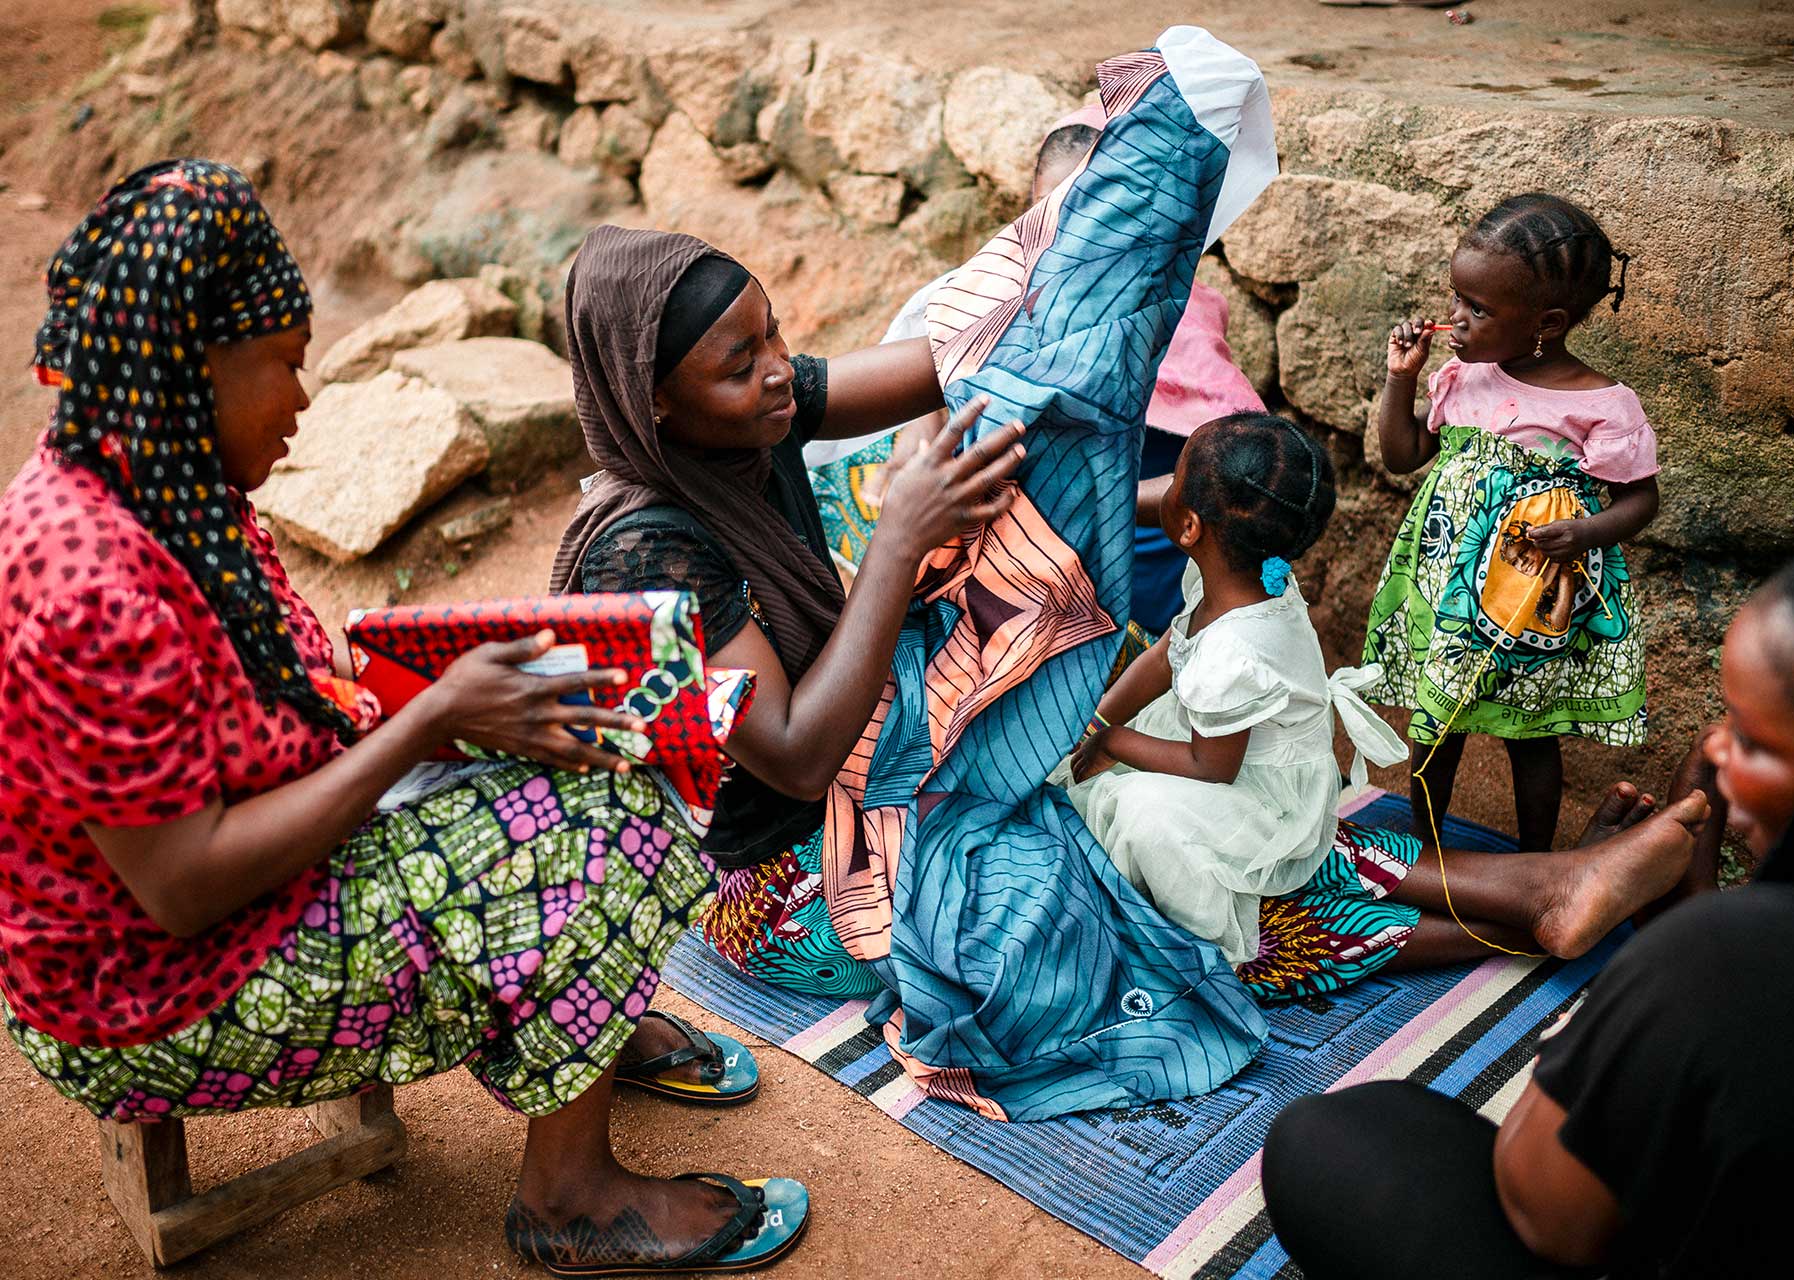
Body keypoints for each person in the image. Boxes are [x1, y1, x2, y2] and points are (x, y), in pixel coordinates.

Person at [0, 161, 810, 1277]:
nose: (300, 399)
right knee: (606, 808)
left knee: (585, 726)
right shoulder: (90, 585)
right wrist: (425, 720)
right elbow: (183, 884)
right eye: (282, 366)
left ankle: (579, 1015)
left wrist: (413, 684)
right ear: (189, 368)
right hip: (155, 993)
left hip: (239, 877)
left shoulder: (152, 479)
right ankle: (569, 1195)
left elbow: (256, 695)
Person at [1263, 524, 1794, 1279]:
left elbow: (1553, 1217)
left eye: (1755, 741)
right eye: (1726, 718)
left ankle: (1561, 889)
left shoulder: (1734, 967)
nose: (1714, 750)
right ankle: (1560, 888)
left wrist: (1605, 1031)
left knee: (1325, 1135)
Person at [551, 226, 1026, 1002]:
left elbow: (944, 363)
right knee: (1026, 913)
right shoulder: (645, 556)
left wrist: (1064, 266)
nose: (778, 371)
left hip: (856, 782)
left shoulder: (751, 417)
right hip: (775, 882)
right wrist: (896, 543)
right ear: (655, 402)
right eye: (741, 365)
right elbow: (797, 758)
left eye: (773, 332)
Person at [804, 104, 1267, 634]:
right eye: (1052, 220)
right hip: (1020, 546)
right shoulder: (995, 294)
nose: (1070, 246)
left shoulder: (1180, 327)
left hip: (1120, 592)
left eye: (1093, 223)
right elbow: (934, 379)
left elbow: (1225, 484)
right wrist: (923, 435)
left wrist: (1074, 495)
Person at [1364, 193, 1657, 852]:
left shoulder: (1604, 406)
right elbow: (1403, 454)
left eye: (1478, 310)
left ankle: (1535, 859)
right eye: (1455, 300)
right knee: (1435, 724)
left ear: (1546, 323)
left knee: (1531, 732)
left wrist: (1585, 534)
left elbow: (1642, 501)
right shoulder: (1460, 379)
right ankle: (1429, 850)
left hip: (1530, 595)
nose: (1455, 321)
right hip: (1448, 587)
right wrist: (1400, 380)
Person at [1062, 414, 1408, 963]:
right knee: (1102, 769)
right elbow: (1165, 656)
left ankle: (1213, 945)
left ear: (1192, 527)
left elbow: (1210, 768)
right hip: (1234, 753)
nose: (1163, 493)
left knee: (1140, 812)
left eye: (1173, 481)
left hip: (1262, 799)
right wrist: (1098, 719)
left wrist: (1112, 743)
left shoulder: (1233, 654)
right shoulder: (1240, 572)